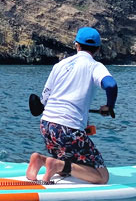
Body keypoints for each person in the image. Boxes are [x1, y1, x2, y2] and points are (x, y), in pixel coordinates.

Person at [26, 26, 118, 184]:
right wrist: (109, 106)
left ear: (76, 45)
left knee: (71, 166)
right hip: (68, 129)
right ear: (97, 49)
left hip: (47, 126)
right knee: (101, 177)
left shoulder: (60, 65)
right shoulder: (95, 66)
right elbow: (111, 85)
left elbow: (43, 101)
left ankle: (40, 159)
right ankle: (56, 164)